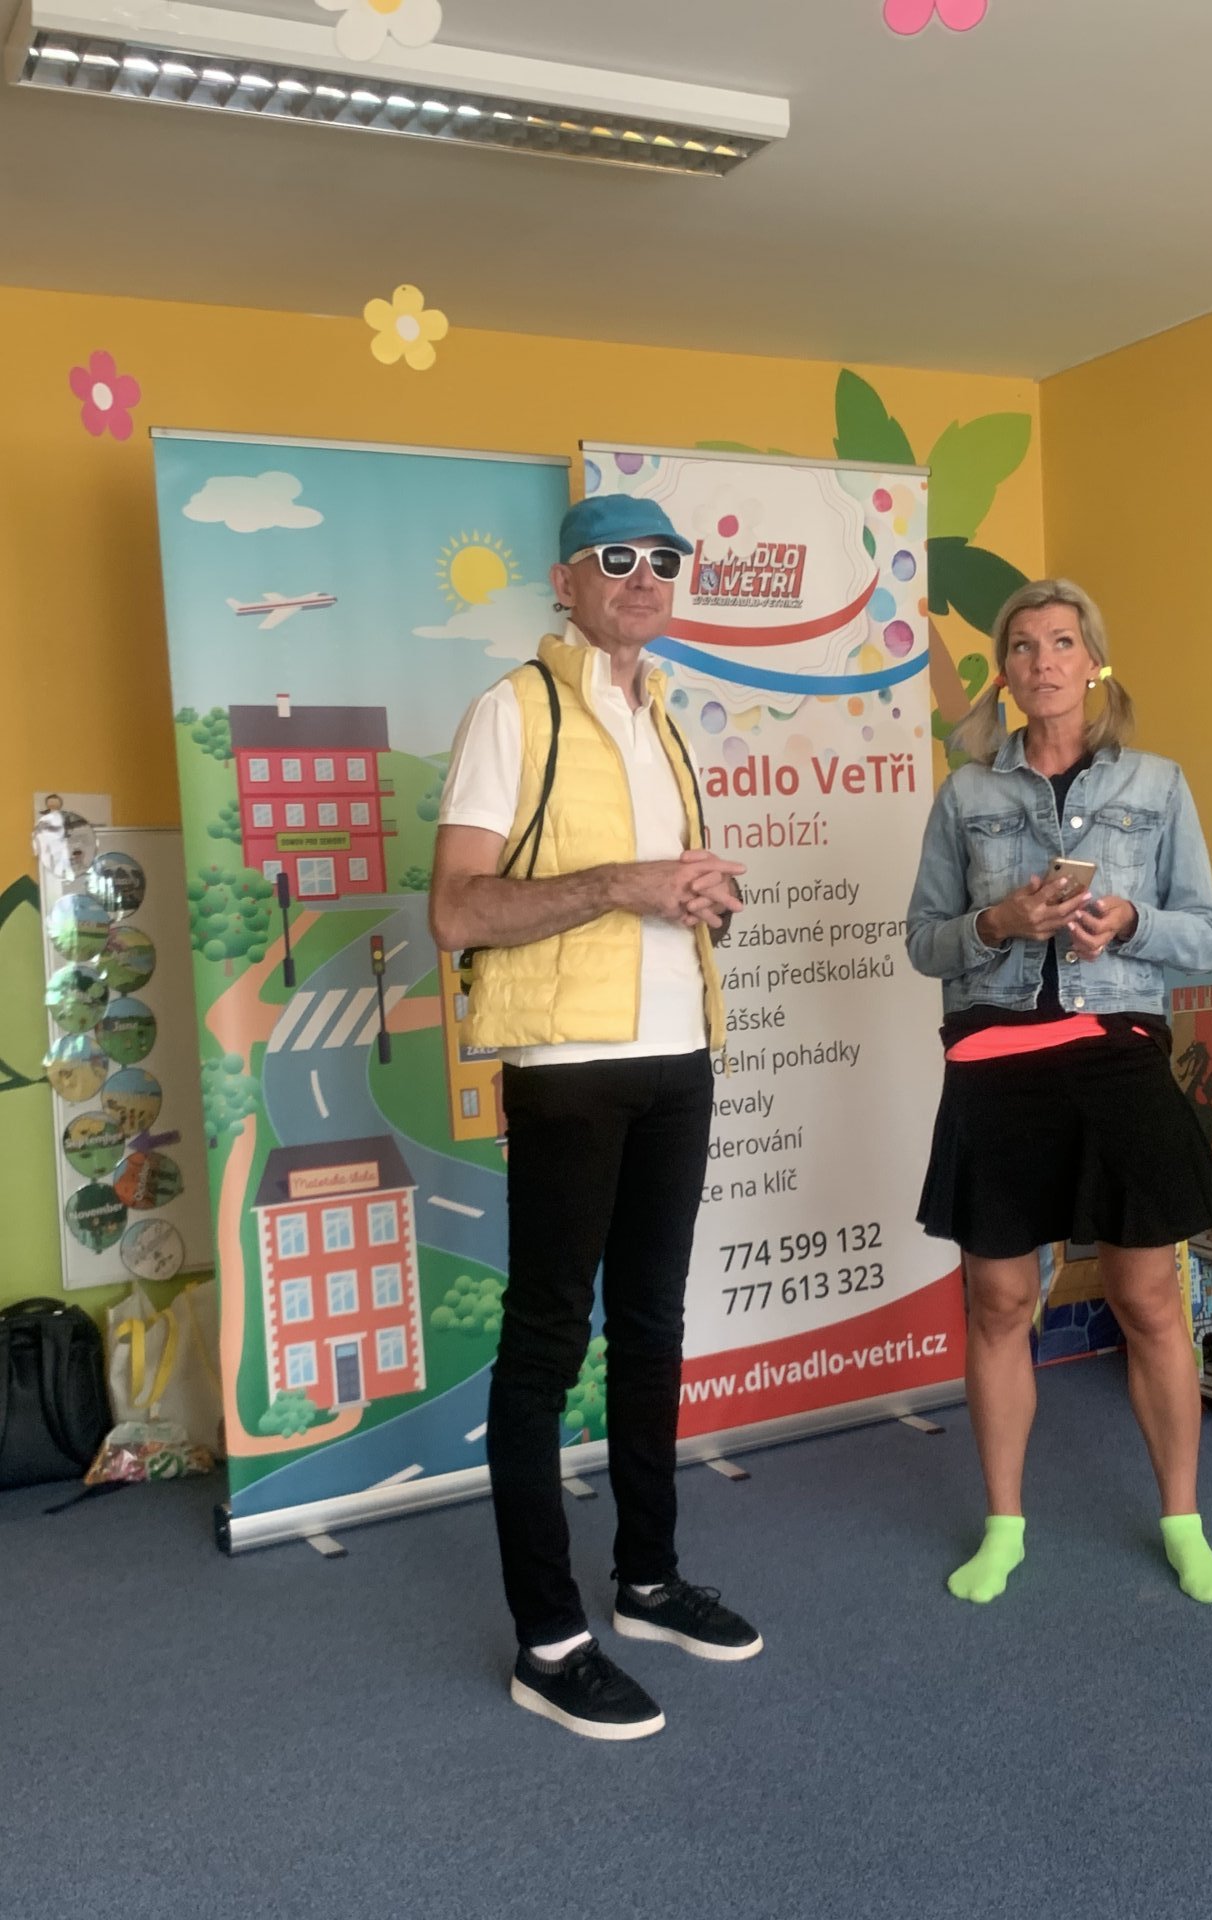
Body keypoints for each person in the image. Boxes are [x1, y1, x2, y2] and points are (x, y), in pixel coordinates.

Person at [430, 493, 762, 1742]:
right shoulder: (512, 711)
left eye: (664, 558)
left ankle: (649, 1581)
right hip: (569, 1065)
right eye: (615, 558)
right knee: (547, 1341)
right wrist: (624, 883)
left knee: (655, 1325)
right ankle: (549, 1640)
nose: (643, 575)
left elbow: (658, 896)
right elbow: (458, 911)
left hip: (682, 1055)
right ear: (565, 582)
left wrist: (699, 896)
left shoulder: (661, 716)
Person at [906, 579, 1212, 1608]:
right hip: (997, 1061)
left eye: (1061, 643)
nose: (1042, 662)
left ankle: (1183, 1523)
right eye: (1023, 646)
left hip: (1116, 1054)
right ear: (1004, 672)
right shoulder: (966, 795)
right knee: (1000, 1301)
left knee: (1147, 1300)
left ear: (1092, 662)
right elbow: (923, 942)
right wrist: (998, 925)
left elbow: (1209, 937)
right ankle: (1003, 1526)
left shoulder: (1159, 782)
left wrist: (1130, 921)